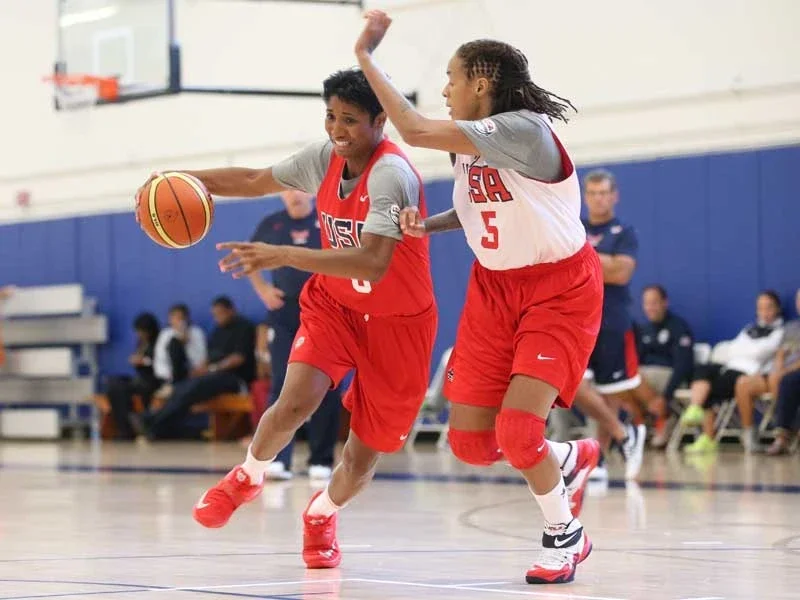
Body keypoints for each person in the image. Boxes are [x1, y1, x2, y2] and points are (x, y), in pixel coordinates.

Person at [155, 68, 438, 569]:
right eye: (330, 116)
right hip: (335, 306)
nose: (336, 129)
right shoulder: (324, 158)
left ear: (380, 122)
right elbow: (253, 180)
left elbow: (373, 261)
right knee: (292, 403)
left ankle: (322, 513)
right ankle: (247, 476)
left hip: (398, 322)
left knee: (362, 457)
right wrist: (179, 179)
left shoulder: (392, 176)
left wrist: (283, 254)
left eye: (349, 119)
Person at [356, 10, 603, 584]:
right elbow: (484, 205)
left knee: (518, 432)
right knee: (470, 442)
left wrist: (366, 57)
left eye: (452, 78)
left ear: (482, 83)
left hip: (557, 288)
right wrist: (429, 225)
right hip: (493, 289)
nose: (445, 90)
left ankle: (565, 536)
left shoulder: (523, 129)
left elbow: (413, 130)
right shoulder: (467, 142)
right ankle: (569, 458)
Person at [248, 190, 342, 481]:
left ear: (311, 190)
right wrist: (262, 289)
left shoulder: (326, 221)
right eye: (287, 189)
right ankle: (278, 459)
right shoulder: (271, 224)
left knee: (327, 384)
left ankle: (321, 460)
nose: (294, 195)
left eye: (299, 188)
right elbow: (249, 258)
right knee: (281, 383)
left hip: (325, 311)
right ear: (281, 194)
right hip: (285, 312)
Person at [580, 169, 647, 479]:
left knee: (610, 391)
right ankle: (624, 433)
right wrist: (604, 260)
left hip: (613, 318)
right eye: (593, 193)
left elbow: (621, 273)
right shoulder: (574, 227)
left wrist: (583, 256)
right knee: (573, 384)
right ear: (585, 196)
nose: (598, 199)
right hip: (577, 317)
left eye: (604, 193)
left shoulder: (625, 232)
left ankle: (599, 460)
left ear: (615, 195)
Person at [129, 297, 256, 440]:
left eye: (220, 313)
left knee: (195, 387)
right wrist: (200, 369)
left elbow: (238, 358)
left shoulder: (244, 327)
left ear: (231, 310)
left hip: (233, 378)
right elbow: (209, 357)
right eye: (214, 315)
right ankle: (155, 424)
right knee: (183, 387)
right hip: (212, 376)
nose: (217, 318)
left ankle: (151, 421)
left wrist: (212, 369)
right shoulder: (218, 331)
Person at [681, 290, 784, 453]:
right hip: (730, 366)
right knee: (702, 370)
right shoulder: (750, 329)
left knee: (711, 389)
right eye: (760, 308)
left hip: (749, 372)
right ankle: (694, 409)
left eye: (768, 307)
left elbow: (759, 353)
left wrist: (742, 350)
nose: (764, 312)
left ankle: (707, 436)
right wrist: (744, 350)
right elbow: (732, 349)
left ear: (777, 309)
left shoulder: (780, 332)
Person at [636, 285, 695, 447]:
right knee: (622, 383)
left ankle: (662, 416)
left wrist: (666, 396)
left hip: (671, 377)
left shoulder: (678, 327)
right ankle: (646, 423)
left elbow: (683, 365)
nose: (650, 308)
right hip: (646, 379)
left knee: (633, 377)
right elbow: (636, 359)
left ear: (664, 303)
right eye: (647, 303)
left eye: (654, 303)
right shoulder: (644, 330)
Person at [106, 313, 162, 440]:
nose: (140, 334)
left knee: (123, 389)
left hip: (153, 380)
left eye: (142, 331)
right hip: (141, 378)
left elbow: (159, 363)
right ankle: (124, 426)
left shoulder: (160, 342)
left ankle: (128, 429)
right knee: (115, 385)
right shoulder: (141, 343)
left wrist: (144, 361)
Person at [766, 290, 800, 455]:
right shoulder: (791, 327)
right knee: (780, 378)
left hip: (794, 372)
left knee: (788, 381)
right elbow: (781, 352)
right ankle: (781, 436)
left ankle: (784, 435)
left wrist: (786, 371)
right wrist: (779, 368)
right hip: (788, 373)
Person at [152, 303, 207, 399]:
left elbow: (201, 358)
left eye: (181, 318)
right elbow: (159, 361)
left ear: (187, 319)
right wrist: (169, 377)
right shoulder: (165, 334)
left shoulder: (196, 332)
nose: (178, 321)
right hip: (169, 378)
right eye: (174, 318)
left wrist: (187, 343)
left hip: (192, 376)